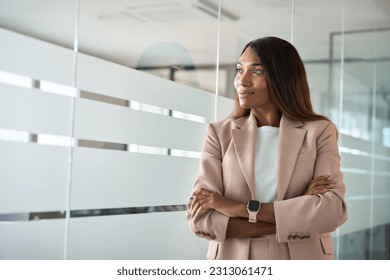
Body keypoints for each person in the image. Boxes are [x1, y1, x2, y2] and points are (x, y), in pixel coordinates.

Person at [186, 37, 348, 260]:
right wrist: (297, 208)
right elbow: (201, 219)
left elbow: (331, 212)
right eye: (239, 70)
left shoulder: (320, 131)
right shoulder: (218, 133)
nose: (242, 81)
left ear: (282, 78)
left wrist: (237, 209)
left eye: (257, 71)